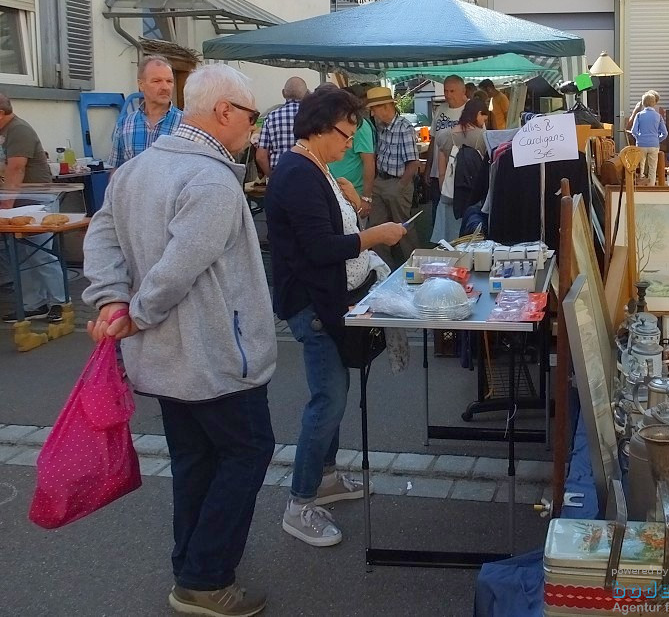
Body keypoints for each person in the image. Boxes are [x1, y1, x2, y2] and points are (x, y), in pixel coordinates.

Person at [82, 64, 276, 616]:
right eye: (251, 115)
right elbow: (178, 267)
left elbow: (102, 238)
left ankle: (192, 566)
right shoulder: (211, 178)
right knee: (245, 453)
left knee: (196, 460)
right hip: (215, 356)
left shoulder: (139, 168)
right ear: (224, 113)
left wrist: (114, 299)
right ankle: (205, 578)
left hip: (170, 358)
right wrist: (132, 310)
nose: (253, 128)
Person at [264, 87, 406, 548]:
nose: (350, 143)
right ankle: (299, 501)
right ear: (322, 127)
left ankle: (324, 478)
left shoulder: (312, 168)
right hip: (314, 304)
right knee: (327, 399)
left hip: (327, 299)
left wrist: (354, 207)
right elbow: (320, 248)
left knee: (333, 395)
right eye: (346, 134)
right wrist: (375, 236)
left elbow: (330, 233)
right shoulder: (298, 173)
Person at [0, 95, 66, 323]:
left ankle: (61, 301)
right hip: (19, 202)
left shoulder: (17, 130)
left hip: (37, 200)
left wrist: (5, 205)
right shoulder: (4, 133)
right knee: (23, 256)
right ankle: (33, 304)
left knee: (41, 253)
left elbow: (16, 169)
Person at [366, 86, 421, 267]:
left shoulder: (404, 127)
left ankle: (414, 267)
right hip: (381, 181)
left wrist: (400, 186)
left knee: (403, 228)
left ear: (385, 107)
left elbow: (413, 163)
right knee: (375, 229)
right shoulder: (381, 127)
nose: (372, 114)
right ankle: (384, 270)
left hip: (398, 182)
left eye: (373, 110)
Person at [431, 97, 489, 243]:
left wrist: (446, 191)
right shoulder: (483, 137)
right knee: (470, 239)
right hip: (473, 196)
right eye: (484, 116)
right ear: (478, 114)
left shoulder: (444, 135)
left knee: (449, 241)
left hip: (450, 198)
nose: (484, 121)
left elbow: (441, 170)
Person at [109, 56, 184, 167]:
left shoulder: (186, 124)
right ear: (141, 85)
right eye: (157, 81)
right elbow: (116, 171)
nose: (165, 87)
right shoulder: (124, 124)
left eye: (169, 81)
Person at [327, 84, 376, 221]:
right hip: (333, 191)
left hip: (353, 194)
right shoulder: (333, 125)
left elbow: (369, 161)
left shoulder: (360, 125)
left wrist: (366, 198)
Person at [255, 75, 310, 176]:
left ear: (283, 93)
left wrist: (271, 177)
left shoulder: (271, 117)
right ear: (306, 94)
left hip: (279, 175)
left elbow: (260, 156)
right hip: (308, 175)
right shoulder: (312, 116)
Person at [425, 75, 466, 202]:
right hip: (437, 172)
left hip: (459, 173)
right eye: (445, 91)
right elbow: (434, 139)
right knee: (437, 214)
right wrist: (428, 167)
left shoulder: (470, 109)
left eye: (452, 91)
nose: (448, 95)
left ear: (463, 91)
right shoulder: (440, 109)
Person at [629, 91, 667, 186]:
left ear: (643, 103)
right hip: (654, 144)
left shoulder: (639, 115)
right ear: (654, 103)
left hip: (641, 144)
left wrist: (638, 138)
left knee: (641, 167)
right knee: (652, 168)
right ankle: (651, 186)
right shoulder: (658, 116)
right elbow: (665, 133)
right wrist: (658, 140)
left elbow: (633, 131)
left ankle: (641, 185)